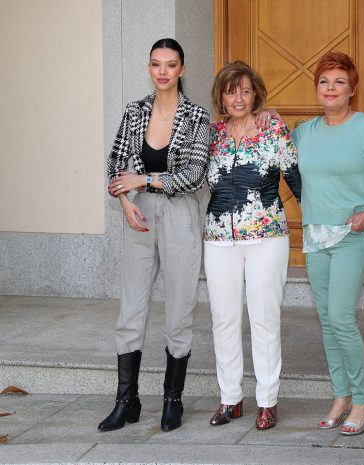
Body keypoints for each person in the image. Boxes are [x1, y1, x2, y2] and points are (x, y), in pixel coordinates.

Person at [99, 38, 210, 433]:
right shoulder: (134, 112)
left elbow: (193, 175)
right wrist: (125, 196)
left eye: (170, 64)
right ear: (149, 68)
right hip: (138, 215)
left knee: (179, 309)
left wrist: (143, 178)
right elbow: (115, 161)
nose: (162, 71)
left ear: (181, 69)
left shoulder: (197, 116)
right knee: (130, 309)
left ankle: (172, 400)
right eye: (155, 64)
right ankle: (126, 401)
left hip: (180, 215)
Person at [292, 51, 364, 436]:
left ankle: (363, 401)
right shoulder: (305, 132)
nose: (330, 88)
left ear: (352, 89)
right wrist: (266, 117)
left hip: (354, 234)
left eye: (339, 82)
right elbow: (275, 148)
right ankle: (341, 395)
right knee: (327, 321)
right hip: (316, 236)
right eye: (324, 81)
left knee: (341, 317)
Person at [203, 61, 301, 431]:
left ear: (256, 93)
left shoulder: (273, 128)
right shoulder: (209, 133)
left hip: (266, 237)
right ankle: (230, 398)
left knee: (264, 319)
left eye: (245, 90)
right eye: (231, 91)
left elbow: (296, 179)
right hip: (218, 239)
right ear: (221, 97)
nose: (238, 98)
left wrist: (321, 229)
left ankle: (267, 401)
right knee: (223, 319)